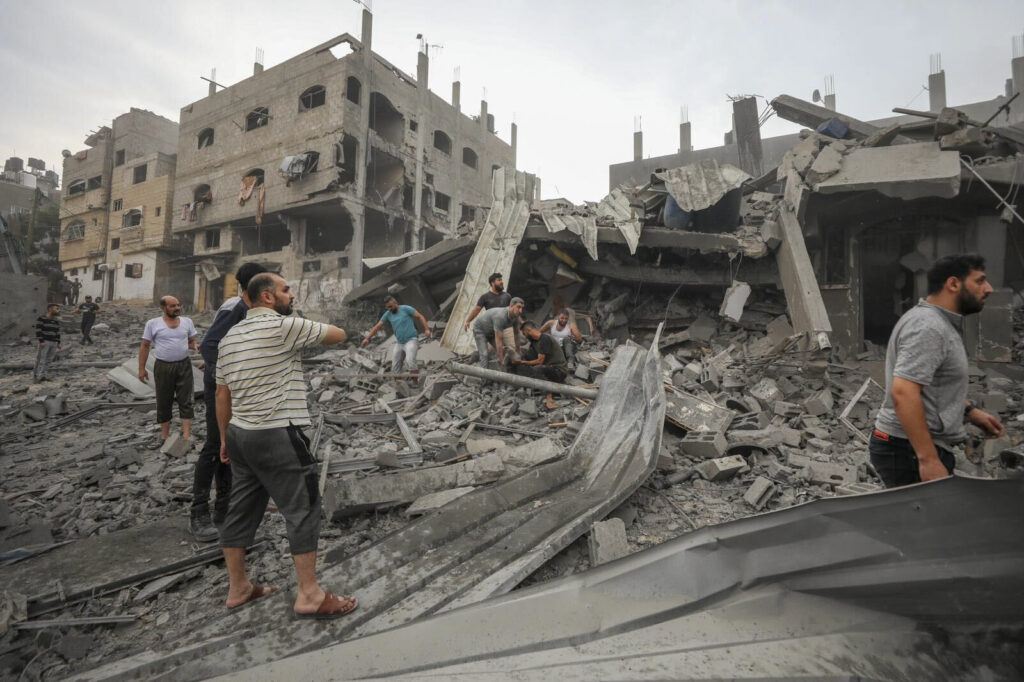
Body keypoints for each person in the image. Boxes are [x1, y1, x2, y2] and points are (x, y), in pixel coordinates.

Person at [215, 272, 357, 618]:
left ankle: (239, 588)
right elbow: (339, 335)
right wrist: (301, 322)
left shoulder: (229, 337)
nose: (290, 295)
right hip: (278, 432)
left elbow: (222, 393)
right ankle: (309, 595)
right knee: (303, 507)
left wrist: (223, 439)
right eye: (285, 289)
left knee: (242, 507)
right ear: (267, 297)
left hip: (239, 434)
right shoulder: (285, 326)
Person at [871, 254, 1004, 488]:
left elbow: (930, 385)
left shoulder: (936, 322)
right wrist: (928, 459)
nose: (989, 288)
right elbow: (903, 392)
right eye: (980, 281)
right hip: (908, 450)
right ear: (953, 284)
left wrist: (970, 412)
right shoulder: (929, 326)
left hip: (908, 447)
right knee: (920, 523)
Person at [192, 263, 267, 542]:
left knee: (230, 445)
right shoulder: (236, 307)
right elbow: (210, 345)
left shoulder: (249, 308)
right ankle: (199, 512)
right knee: (215, 444)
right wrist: (229, 372)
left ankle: (223, 508)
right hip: (222, 388)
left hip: (233, 387)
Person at [140, 296, 198, 442]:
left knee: (186, 400)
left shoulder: (187, 322)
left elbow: (191, 341)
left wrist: (195, 346)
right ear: (163, 308)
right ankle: (165, 436)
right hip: (163, 367)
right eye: (172, 306)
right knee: (164, 401)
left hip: (184, 365)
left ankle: (186, 435)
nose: (177, 308)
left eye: (178, 305)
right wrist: (142, 368)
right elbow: (145, 346)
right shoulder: (153, 324)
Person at [360, 296, 431, 381]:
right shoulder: (388, 314)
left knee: (410, 360)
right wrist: (367, 338)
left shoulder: (406, 309)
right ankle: (399, 383)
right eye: (387, 307)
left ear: (395, 303)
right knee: (395, 365)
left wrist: (427, 329)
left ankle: (415, 382)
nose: (389, 309)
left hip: (411, 340)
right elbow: (377, 326)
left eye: (390, 306)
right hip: (400, 342)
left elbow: (420, 316)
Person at [472, 298, 524, 368]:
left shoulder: (516, 317)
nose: (520, 311)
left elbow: (517, 334)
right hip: (480, 331)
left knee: (504, 350)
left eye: (522, 308)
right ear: (511, 306)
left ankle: (503, 366)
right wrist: (501, 362)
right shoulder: (501, 317)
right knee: (484, 354)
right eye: (518, 307)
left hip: (491, 332)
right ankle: (484, 378)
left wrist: (518, 352)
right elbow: (498, 341)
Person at [34, 303, 62, 382]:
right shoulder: (42, 318)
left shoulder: (56, 320)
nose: (58, 310)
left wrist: (58, 343)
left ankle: (44, 375)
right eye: (56, 308)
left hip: (54, 342)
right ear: (50, 309)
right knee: (40, 359)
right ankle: (36, 377)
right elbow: (38, 330)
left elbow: (57, 332)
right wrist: (41, 341)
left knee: (49, 360)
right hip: (45, 342)